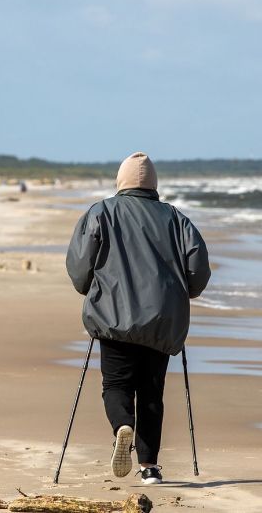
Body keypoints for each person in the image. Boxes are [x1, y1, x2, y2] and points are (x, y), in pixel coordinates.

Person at [66, 152, 211, 485]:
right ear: (153, 184)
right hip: (161, 319)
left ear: (121, 181)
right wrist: (182, 293)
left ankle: (122, 427)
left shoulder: (100, 212)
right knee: (151, 393)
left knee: (115, 385)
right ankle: (149, 467)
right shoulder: (177, 219)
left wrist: (91, 289)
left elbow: (78, 267)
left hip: (113, 318)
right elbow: (198, 271)